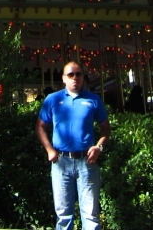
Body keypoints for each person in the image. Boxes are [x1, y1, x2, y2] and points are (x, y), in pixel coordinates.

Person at [36, 62, 111, 230]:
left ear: (83, 77)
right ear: (63, 78)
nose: (75, 78)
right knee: (63, 215)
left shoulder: (93, 100)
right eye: (70, 74)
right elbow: (40, 126)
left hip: (87, 162)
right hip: (61, 163)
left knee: (91, 215)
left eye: (78, 74)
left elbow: (105, 129)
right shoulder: (53, 99)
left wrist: (99, 147)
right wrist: (49, 149)